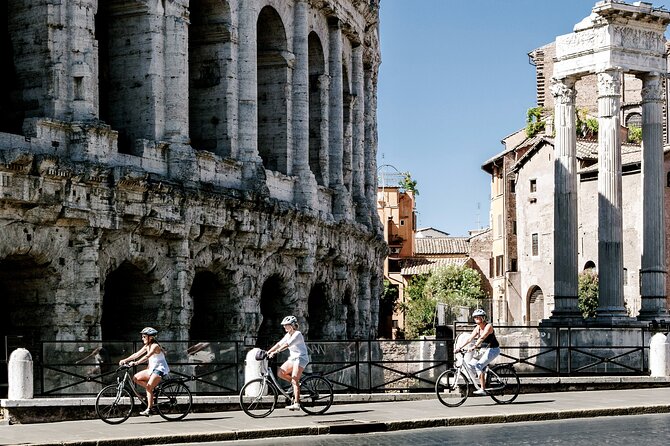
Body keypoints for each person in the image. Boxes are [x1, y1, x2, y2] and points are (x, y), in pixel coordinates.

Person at [119, 327, 170, 416]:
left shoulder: (155, 346)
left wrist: (136, 363)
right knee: (135, 378)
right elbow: (137, 354)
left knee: (149, 387)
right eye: (142, 336)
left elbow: (147, 356)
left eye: (144, 336)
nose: (142, 338)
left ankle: (150, 409)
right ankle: (151, 392)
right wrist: (125, 360)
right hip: (151, 369)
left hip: (159, 369)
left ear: (151, 337)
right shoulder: (147, 346)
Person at [266, 315, 310, 411]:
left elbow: (287, 345)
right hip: (293, 358)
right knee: (280, 373)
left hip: (301, 358)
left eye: (286, 325)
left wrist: (275, 352)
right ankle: (296, 385)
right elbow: (279, 344)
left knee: (294, 379)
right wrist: (268, 352)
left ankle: (297, 403)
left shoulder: (297, 334)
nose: (284, 327)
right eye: (284, 325)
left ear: (292, 325)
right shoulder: (288, 335)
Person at [455, 309, 500, 395]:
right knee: (471, 366)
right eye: (475, 317)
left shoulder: (488, 326)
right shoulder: (477, 328)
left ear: (483, 318)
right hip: (483, 350)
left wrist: (474, 346)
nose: (476, 319)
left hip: (493, 349)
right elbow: (469, 338)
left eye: (478, 317)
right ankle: (483, 376)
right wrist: (459, 348)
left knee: (478, 366)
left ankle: (483, 389)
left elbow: (482, 337)